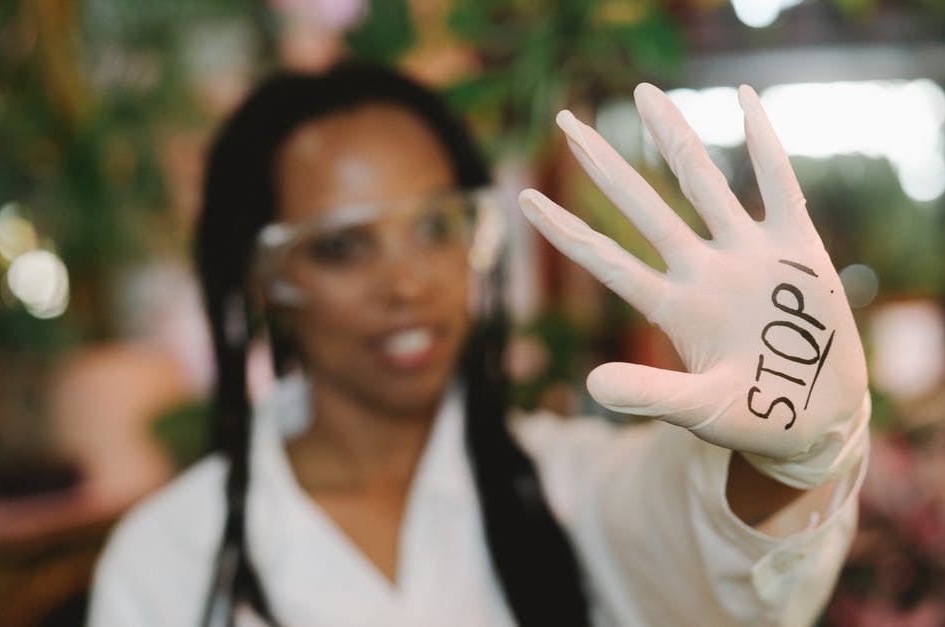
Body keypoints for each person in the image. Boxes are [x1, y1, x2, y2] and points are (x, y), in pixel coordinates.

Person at [88, 61, 870, 627]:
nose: (408, 283)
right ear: (261, 278)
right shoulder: (167, 555)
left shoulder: (566, 486)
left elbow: (709, 555)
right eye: (341, 247)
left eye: (436, 227)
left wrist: (788, 459)